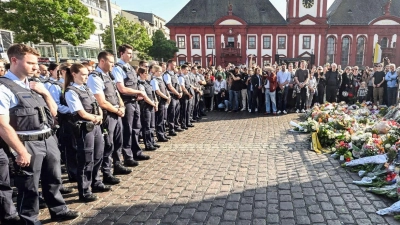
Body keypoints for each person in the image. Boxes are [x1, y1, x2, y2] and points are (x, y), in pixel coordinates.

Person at [0, 44, 79, 224]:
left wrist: (45, 93)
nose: (36, 67)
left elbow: (53, 112)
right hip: (27, 142)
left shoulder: (34, 85)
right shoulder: (4, 88)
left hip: (47, 138)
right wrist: (20, 151)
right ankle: (30, 220)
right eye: (30, 63)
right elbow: (2, 125)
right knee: (29, 187)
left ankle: (58, 210)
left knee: (54, 179)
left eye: (36, 63)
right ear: (14, 60)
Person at [64, 63, 111, 202]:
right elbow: (81, 112)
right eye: (83, 74)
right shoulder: (71, 91)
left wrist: (100, 115)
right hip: (85, 128)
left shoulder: (86, 88)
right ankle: (84, 191)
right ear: (74, 74)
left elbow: (96, 104)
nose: (86, 77)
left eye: (87, 74)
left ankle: (96, 182)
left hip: (95, 126)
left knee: (98, 156)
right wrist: (96, 118)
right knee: (86, 160)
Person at [87, 51, 132, 186]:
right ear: (102, 61)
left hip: (116, 113)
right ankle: (106, 173)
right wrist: (117, 110)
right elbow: (101, 101)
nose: (113, 64)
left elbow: (116, 93)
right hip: (108, 115)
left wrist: (122, 106)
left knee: (118, 142)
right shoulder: (95, 77)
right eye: (111, 62)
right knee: (107, 145)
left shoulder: (108, 75)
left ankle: (117, 165)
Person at [113, 44, 150, 166]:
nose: (131, 55)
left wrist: (138, 93)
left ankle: (136, 152)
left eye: (131, 53)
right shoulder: (118, 68)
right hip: (126, 102)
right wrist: (138, 92)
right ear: (121, 53)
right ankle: (127, 156)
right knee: (127, 129)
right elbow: (121, 88)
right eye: (128, 53)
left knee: (136, 128)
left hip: (135, 102)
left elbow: (134, 84)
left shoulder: (129, 67)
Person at [138, 68, 159, 150]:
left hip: (151, 105)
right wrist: (153, 104)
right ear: (141, 74)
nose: (147, 75)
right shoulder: (140, 84)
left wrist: (156, 102)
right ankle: (148, 144)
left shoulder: (147, 83)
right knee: (146, 126)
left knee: (152, 125)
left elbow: (153, 94)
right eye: (145, 73)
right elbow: (145, 97)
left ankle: (152, 141)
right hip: (145, 107)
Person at [150, 65, 170, 142]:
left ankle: (164, 133)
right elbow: (157, 92)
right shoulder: (154, 80)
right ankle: (160, 135)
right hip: (160, 101)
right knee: (160, 119)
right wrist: (166, 97)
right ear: (155, 72)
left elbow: (165, 89)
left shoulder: (160, 79)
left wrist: (168, 95)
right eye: (159, 71)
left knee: (164, 118)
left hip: (164, 100)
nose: (161, 73)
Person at [163, 60, 183, 136]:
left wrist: (180, 92)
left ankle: (176, 126)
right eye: (174, 65)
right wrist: (177, 93)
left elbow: (178, 84)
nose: (175, 66)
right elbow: (169, 86)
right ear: (170, 65)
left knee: (177, 112)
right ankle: (171, 129)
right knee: (172, 113)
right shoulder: (167, 74)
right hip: (172, 96)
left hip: (177, 96)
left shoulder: (174, 74)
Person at [178, 65, 192, 130]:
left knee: (188, 109)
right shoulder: (181, 77)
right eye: (186, 70)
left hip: (188, 94)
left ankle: (187, 122)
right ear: (182, 70)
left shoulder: (187, 77)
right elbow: (183, 88)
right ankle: (183, 124)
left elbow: (189, 85)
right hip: (184, 95)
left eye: (188, 70)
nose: (187, 71)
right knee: (184, 110)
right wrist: (188, 94)